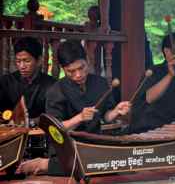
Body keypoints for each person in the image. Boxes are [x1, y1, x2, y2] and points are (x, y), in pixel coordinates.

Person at [17, 40, 131, 175]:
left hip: (92, 143)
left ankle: (48, 165)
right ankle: (45, 164)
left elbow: (105, 116)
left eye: (81, 68)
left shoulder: (100, 83)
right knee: (87, 164)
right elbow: (55, 129)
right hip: (66, 147)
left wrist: (116, 111)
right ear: (62, 68)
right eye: (71, 71)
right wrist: (79, 118)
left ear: (87, 60)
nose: (78, 74)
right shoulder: (56, 91)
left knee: (116, 162)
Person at [128, 32, 175, 134]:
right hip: (144, 132)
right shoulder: (153, 71)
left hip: (167, 133)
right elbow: (149, 98)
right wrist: (169, 75)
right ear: (167, 52)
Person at [0, 37, 56, 122]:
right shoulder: (6, 82)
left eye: (27, 61)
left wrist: (31, 122)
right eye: (18, 61)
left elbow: (52, 116)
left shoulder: (51, 85)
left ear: (39, 60)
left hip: (38, 132)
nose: (22, 66)